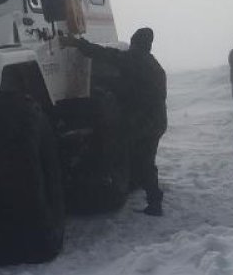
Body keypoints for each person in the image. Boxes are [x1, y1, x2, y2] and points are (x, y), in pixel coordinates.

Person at [61, 26, 167, 215]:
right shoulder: (154, 65)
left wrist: (77, 43)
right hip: (157, 121)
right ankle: (154, 202)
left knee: (132, 156)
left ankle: (147, 200)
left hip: (143, 122)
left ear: (136, 43)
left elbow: (105, 54)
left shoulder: (135, 60)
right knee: (146, 161)